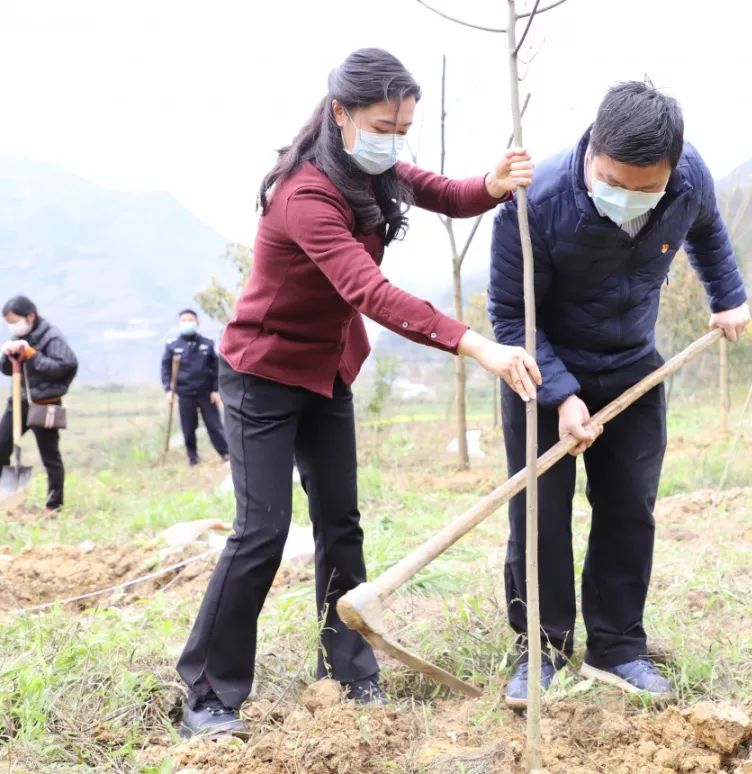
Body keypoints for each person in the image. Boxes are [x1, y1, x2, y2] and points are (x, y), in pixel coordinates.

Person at [177, 48, 538, 738]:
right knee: (262, 531)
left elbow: (448, 194)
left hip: (328, 371)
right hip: (262, 373)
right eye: (382, 124)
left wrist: (491, 182)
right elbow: (367, 290)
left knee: (341, 522)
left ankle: (348, 670)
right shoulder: (306, 194)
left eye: (403, 127)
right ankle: (207, 690)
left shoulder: (374, 169)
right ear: (340, 114)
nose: (393, 140)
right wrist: (477, 345)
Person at [489, 81, 749, 706]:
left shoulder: (688, 179)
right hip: (540, 372)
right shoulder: (535, 201)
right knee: (540, 516)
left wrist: (728, 296)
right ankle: (543, 650)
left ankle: (617, 647)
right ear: (592, 153)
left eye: (644, 188)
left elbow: (707, 232)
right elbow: (508, 316)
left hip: (634, 366)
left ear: (670, 168)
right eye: (613, 180)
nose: (628, 198)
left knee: (630, 508)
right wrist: (561, 395)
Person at [0, 295, 78, 512]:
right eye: (9, 322)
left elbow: (65, 366)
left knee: (49, 455)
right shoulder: (19, 338)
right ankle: (6, 497)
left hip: (44, 403)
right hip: (18, 401)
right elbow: (7, 370)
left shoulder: (51, 338)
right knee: (1, 445)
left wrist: (33, 355)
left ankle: (54, 505)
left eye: (15, 320)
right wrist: (8, 356)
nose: (12, 326)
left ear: (30, 316)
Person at [161, 309, 229, 466]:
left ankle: (225, 453)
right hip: (185, 393)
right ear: (179, 324)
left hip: (206, 392)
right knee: (188, 427)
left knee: (214, 425)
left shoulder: (207, 344)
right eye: (184, 320)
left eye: (190, 320)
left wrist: (215, 389)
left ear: (197, 323)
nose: (187, 323)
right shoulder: (172, 346)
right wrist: (168, 390)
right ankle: (193, 458)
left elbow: (216, 368)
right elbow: (165, 370)